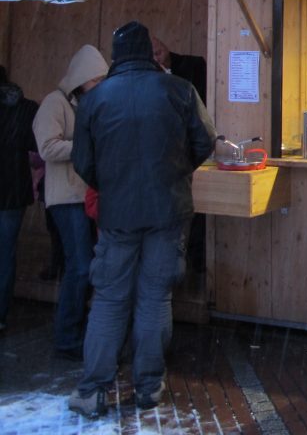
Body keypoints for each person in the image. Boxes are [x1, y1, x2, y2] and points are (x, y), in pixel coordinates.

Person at [68, 21, 216, 417]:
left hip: (118, 215)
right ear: (149, 53)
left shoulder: (95, 101)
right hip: (168, 212)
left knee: (110, 299)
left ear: (116, 56)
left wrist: (114, 184)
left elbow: (83, 162)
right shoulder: (179, 90)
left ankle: (93, 389)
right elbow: (206, 141)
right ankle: (148, 387)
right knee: (155, 298)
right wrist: (175, 174)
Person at [33, 44, 109, 361]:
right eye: (96, 80)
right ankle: (67, 337)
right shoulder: (55, 103)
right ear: (82, 78)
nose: (99, 86)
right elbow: (47, 148)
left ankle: (74, 333)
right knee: (79, 268)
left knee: (83, 267)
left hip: (84, 197)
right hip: (65, 199)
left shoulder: (83, 103)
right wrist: (85, 145)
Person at [152, 35, 209, 273]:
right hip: (169, 175)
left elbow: (205, 137)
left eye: (160, 51)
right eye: (153, 55)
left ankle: (192, 261)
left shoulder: (190, 70)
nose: (159, 57)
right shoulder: (152, 85)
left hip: (174, 167)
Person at [0, 66, 39, 333]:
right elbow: (34, 145)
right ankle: (1, 315)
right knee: (6, 254)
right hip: (12, 188)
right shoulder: (26, 107)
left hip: (12, 188)